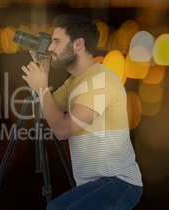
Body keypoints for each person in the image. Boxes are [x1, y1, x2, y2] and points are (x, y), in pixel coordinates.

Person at [21, 14, 143, 209]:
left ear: (79, 44)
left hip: (120, 182)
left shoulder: (100, 81)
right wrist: (44, 73)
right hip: (95, 184)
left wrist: (42, 88)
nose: (51, 47)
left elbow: (62, 129)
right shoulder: (73, 83)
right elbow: (46, 112)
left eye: (57, 41)